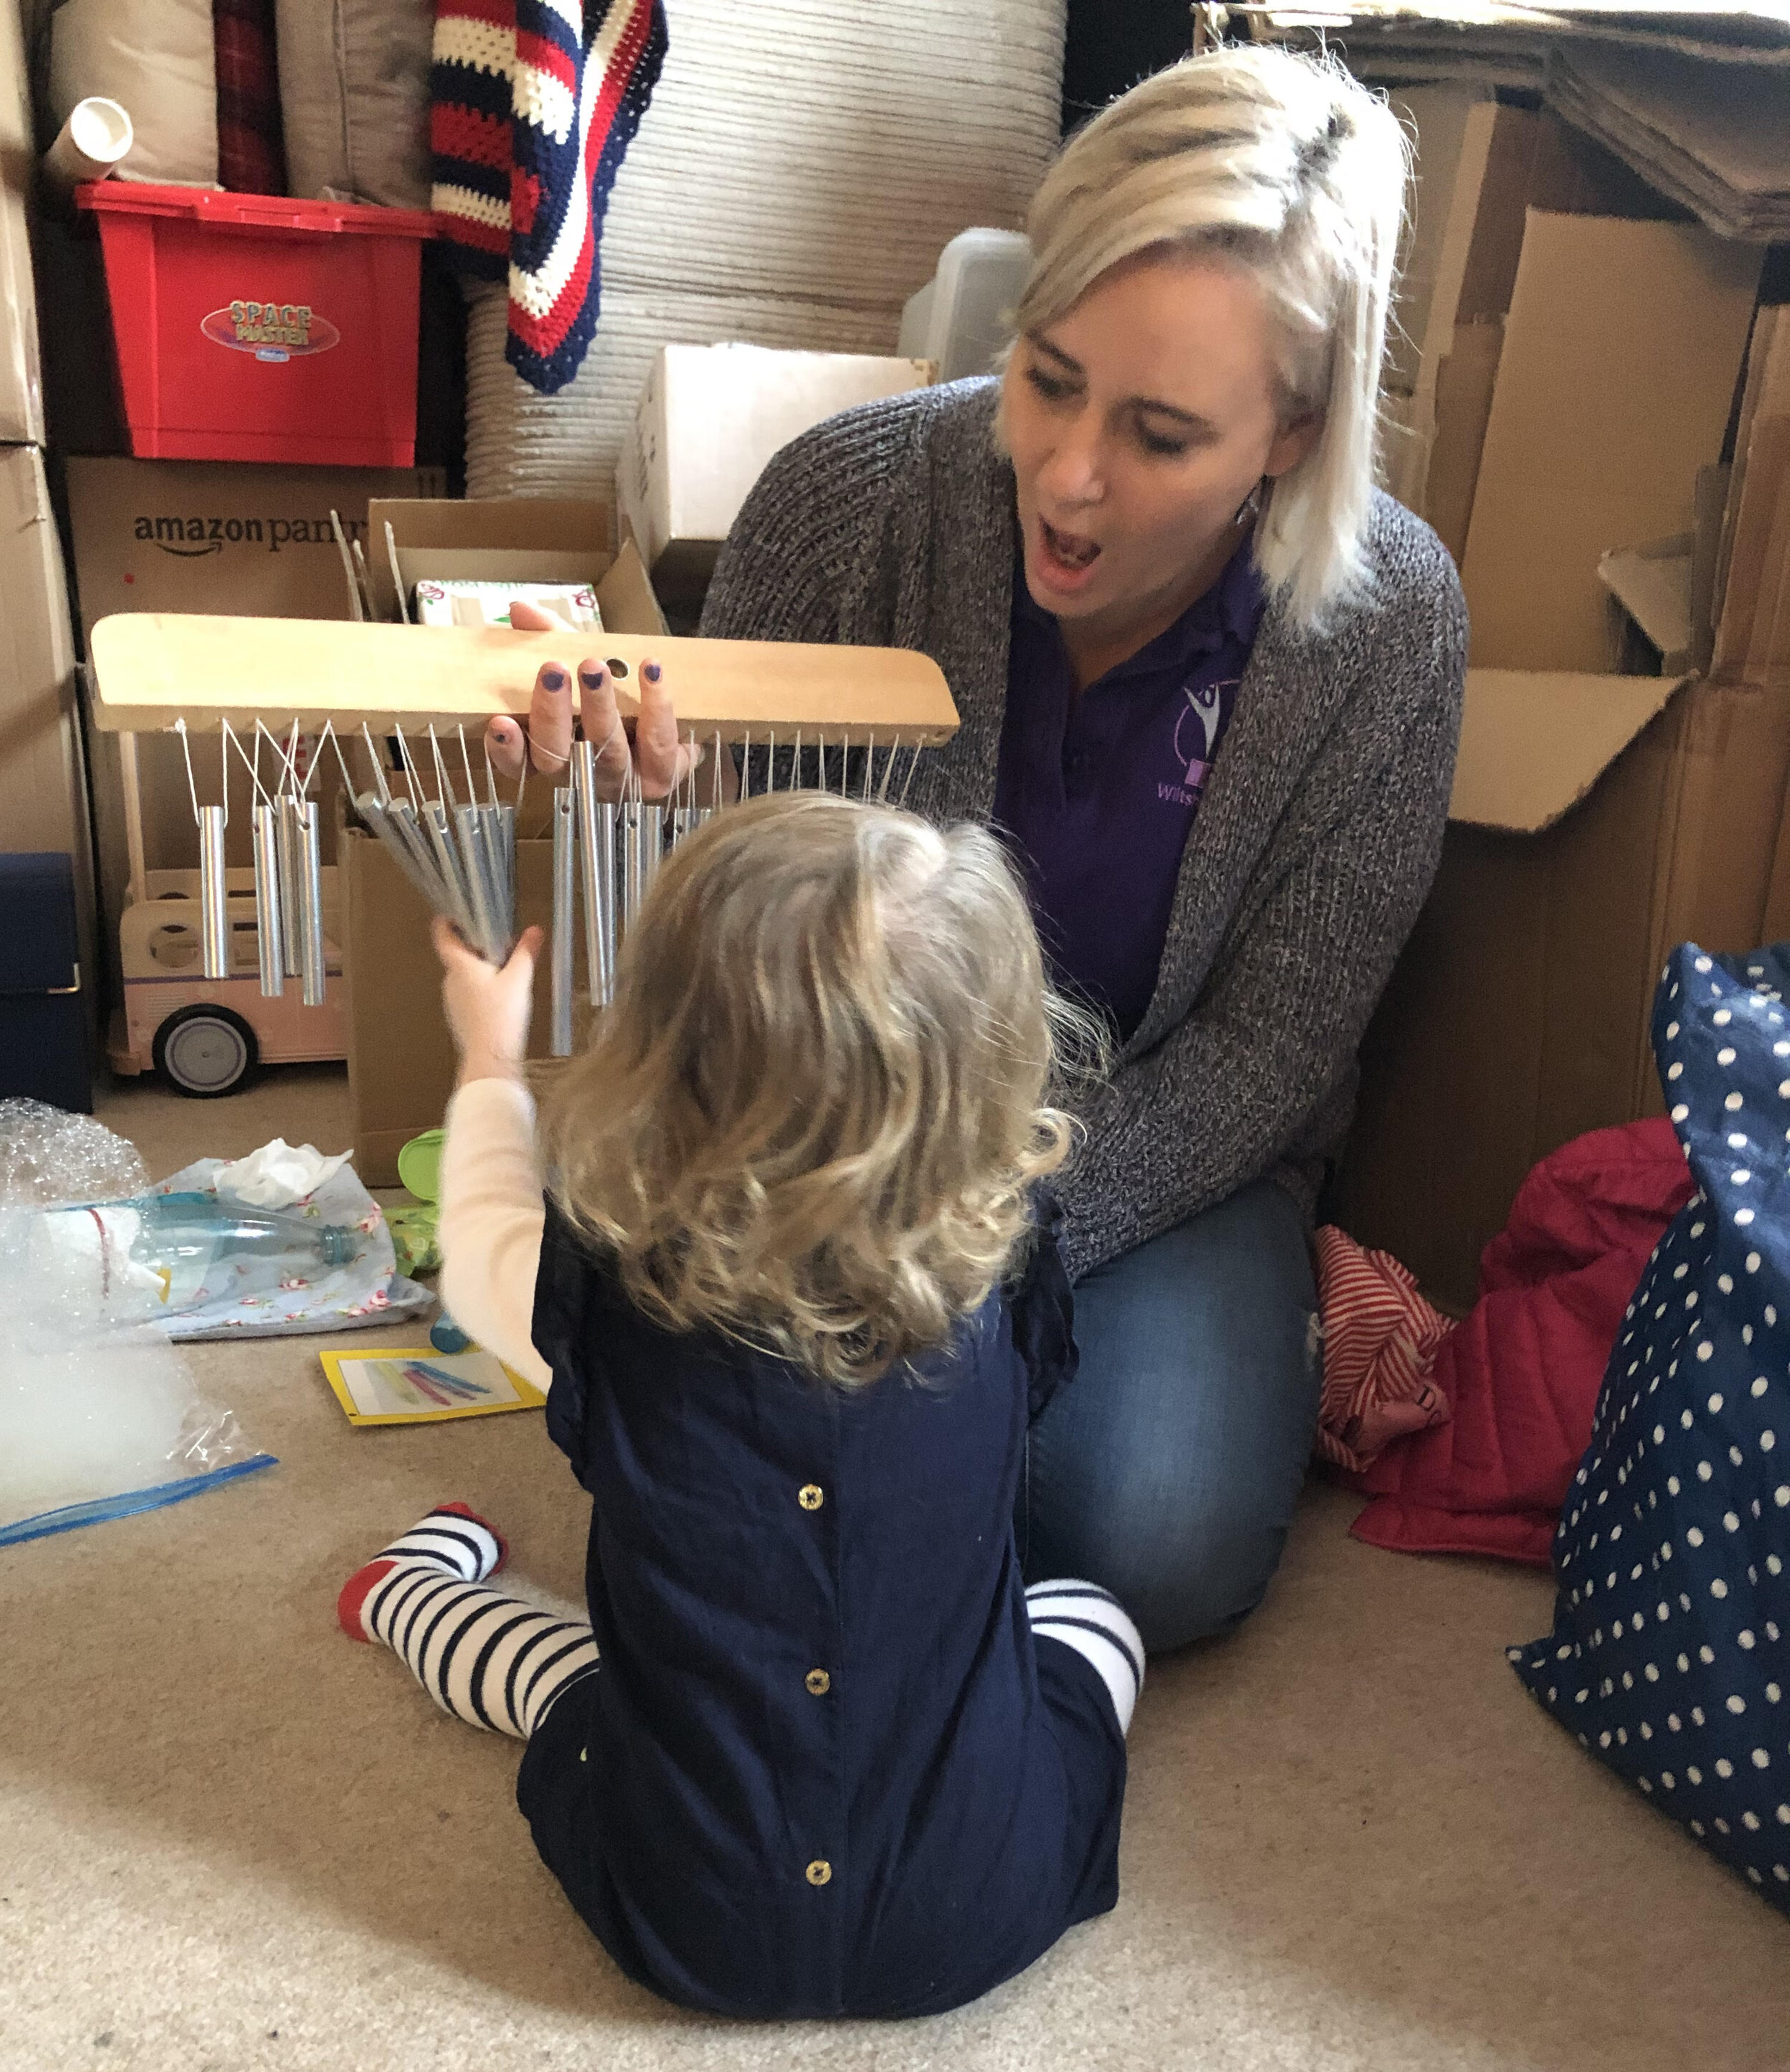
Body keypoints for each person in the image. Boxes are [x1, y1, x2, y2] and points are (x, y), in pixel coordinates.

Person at [492, 46, 1470, 1654]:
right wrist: (637, 788)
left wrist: (974, 1240)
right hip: (833, 1108)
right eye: (1044, 372)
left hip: (1153, 1147)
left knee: (1136, 1526)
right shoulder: (846, 503)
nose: (1066, 474)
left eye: (1159, 434)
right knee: (647, 1408)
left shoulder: (1383, 625)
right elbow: (741, 942)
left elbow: (1274, 1050)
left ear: (1289, 432)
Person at [338, 796, 1146, 2019]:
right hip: (975, 1913)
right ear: (989, 1067)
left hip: (687, 1917)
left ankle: (406, 1591)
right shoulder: (1008, 1271)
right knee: (1089, 1615)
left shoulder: (598, 1294)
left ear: (656, 1055)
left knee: (585, 1685)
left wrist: (489, 1052)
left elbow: (478, 1229)